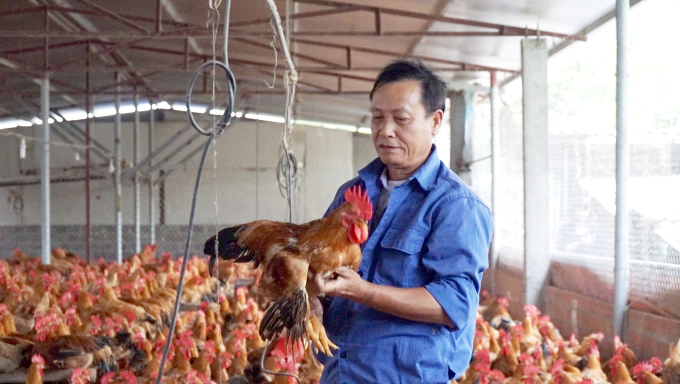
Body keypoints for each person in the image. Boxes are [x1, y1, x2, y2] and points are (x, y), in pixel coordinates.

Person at [310, 60, 494, 383]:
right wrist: (312, 298)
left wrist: (364, 292)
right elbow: (318, 265)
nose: (385, 130)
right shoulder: (351, 192)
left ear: (435, 121)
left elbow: (452, 304)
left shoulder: (455, 206)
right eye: (377, 118)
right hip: (340, 371)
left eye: (401, 119)